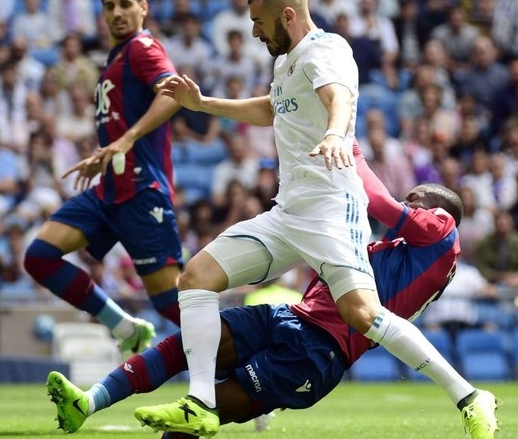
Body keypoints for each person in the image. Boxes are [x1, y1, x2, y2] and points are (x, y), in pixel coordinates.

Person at [136, 0, 497, 437]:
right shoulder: (284, 63)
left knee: (362, 314)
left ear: (287, 16)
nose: (253, 31)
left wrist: (334, 133)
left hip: (331, 208)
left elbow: (338, 97)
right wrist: (204, 104)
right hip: (289, 210)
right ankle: (199, 402)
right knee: (195, 278)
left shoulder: (327, 50)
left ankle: (468, 395)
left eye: (259, 22)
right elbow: (272, 109)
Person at [47, 144, 500, 439]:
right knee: (190, 343)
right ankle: (87, 403)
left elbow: (382, 203)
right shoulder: (388, 250)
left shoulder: (444, 233)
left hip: (319, 352)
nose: (409, 203)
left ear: (438, 210)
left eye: (417, 198)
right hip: (291, 317)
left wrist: (352, 153)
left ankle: (468, 397)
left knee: (196, 419)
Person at [23, 0, 182, 354]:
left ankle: (250, 372)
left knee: (173, 305)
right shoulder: (116, 58)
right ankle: (123, 325)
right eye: (109, 6)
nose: (117, 13)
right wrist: (108, 151)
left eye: (126, 4)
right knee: (40, 256)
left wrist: (126, 140)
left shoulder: (143, 48)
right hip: (110, 190)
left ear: (143, 8)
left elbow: (173, 93)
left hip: (141, 191)